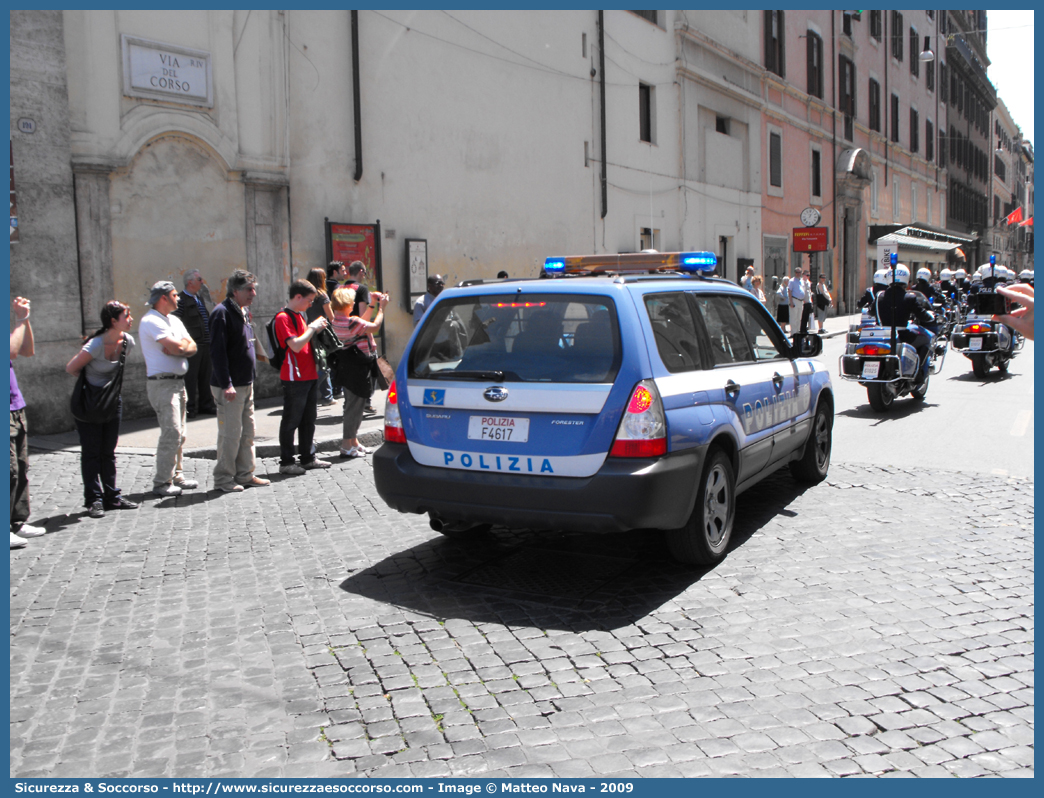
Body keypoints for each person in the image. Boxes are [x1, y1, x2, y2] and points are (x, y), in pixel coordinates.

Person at [64, 301, 140, 518]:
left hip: (112, 402)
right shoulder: (95, 345)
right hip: (88, 403)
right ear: (113, 321)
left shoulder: (127, 342)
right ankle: (93, 500)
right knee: (91, 452)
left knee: (108, 451)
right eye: (127, 315)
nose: (131, 319)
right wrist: (92, 386)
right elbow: (71, 368)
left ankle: (112, 497)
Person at [209, 270, 271, 493]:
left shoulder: (242, 311)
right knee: (230, 435)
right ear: (235, 291)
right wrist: (226, 383)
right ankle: (224, 478)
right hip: (230, 386)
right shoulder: (222, 313)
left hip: (246, 383)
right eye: (249, 289)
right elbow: (217, 353)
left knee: (247, 433)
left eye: (254, 289)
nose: (253, 294)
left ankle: (245, 474)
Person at [140, 281, 200, 497]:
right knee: (171, 432)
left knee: (180, 433)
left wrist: (180, 348)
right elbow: (179, 346)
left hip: (177, 382)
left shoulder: (173, 320)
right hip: (162, 383)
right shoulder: (151, 320)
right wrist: (180, 347)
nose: (179, 298)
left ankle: (177, 475)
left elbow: (191, 346)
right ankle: (162, 482)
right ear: (163, 298)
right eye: (175, 295)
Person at [274, 280, 332, 475]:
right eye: (309, 300)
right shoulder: (283, 317)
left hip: (309, 374)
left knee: (309, 419)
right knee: (291, 421)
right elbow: (296, 345)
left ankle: (307, 457)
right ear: (298, 297)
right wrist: (313, 327)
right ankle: (287, 461)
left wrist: (316, 330)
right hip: (293, 377)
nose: (310, 304)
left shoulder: (300, 315)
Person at [330, 286, 388, 458]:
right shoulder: (351, 322)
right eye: (352, 302)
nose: (354, 304)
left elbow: (361, 323)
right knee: (354, 407)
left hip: (348, 366)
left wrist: (371, 305)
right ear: (347, 304)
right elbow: (374, 326)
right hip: (357, 367)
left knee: (355, 405)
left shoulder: (339, 321)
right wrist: (382, 308)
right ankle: (346, 445)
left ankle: (353, 441)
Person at [10, 297, 46, 548]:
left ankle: (16, 522)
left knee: (21, 469)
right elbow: (9, 350)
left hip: (14, 405)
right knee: (9, 471)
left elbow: (27, 350)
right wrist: (21, 319)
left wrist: (26, 320)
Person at [874, 264, 938, 384]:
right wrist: (931, 317)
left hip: (882, 335)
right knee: (928, 338)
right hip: (902, 334)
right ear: (906, 279)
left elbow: (872, 311)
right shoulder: (909, 297)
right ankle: (919, 373)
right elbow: (922, 314)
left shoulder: (879, 296)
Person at [174, 270, 217, 418]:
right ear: (190, 282)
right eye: (199, 279)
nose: (202, 281)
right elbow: (176, 322)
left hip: (205, 343)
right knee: (190, 378)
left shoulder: (199, 298)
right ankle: (189, 408)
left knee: (206, 376)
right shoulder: (180, 300)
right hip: (192, 345)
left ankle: (206, 405)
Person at [305, 267, 336, 406]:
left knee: (319, 363)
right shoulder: (322, 295)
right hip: (322, 332)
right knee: (324, 366)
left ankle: (327, 396)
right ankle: (308, 390)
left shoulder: (306, 295)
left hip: (308, 331)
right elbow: (331, 317)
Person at [789, 268, 812, 334]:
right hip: (794, 300)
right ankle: (793, 332)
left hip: (801, 301)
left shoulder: (802, 281)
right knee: (794, 317)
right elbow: (789, 291)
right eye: (797, 272)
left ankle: (798, 332)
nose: (798, 274)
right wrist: (791, 302)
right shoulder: (792, 281)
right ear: (795, 273)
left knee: (799, 318)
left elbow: (804, 290)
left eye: (799, 272)